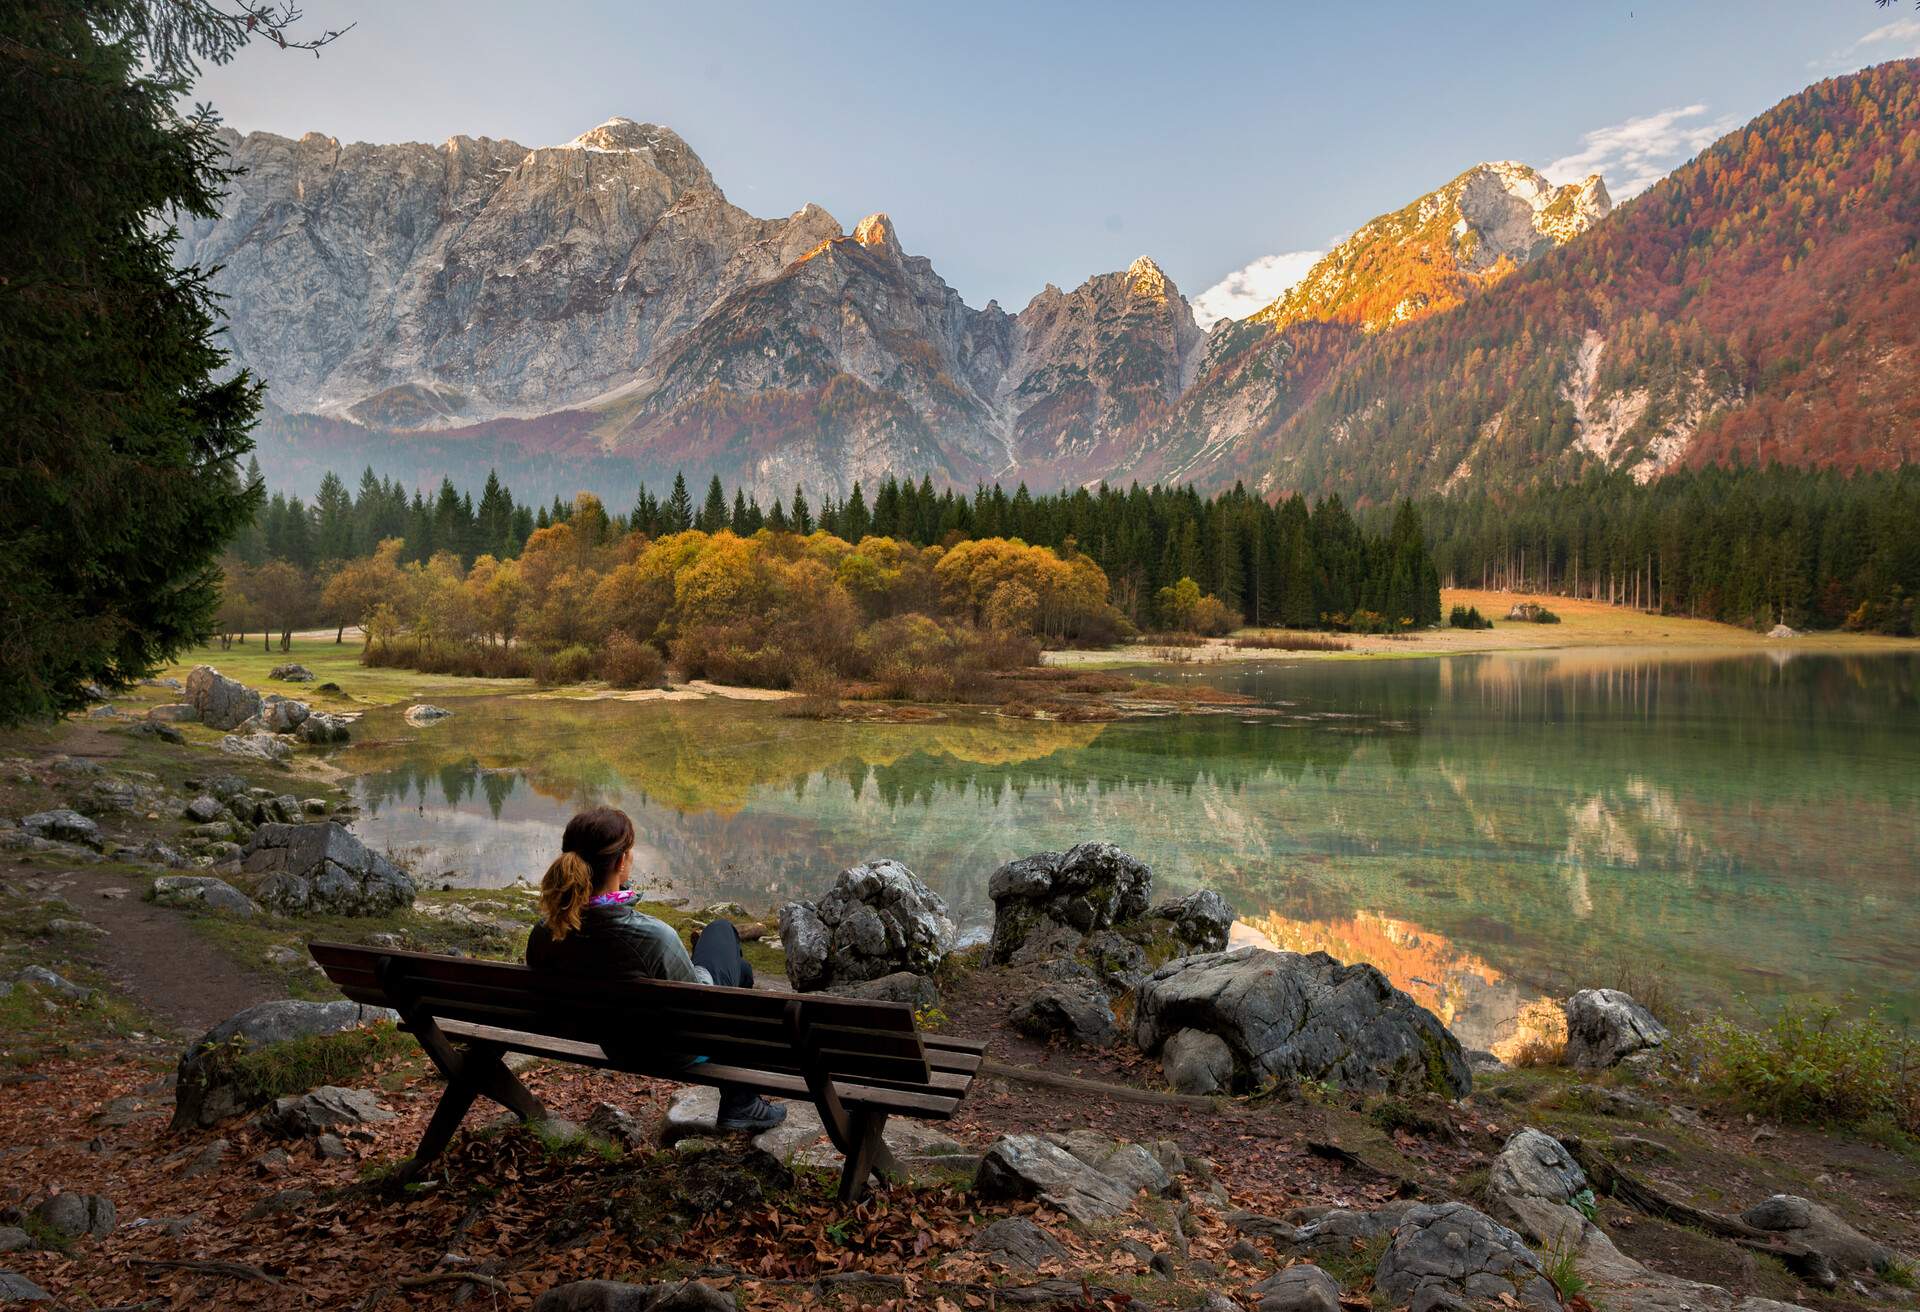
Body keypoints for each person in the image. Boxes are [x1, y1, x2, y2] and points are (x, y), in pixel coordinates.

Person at [524, 805, 786, 1133]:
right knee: (722, 935)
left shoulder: (546, 931)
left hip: (608, 1038)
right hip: (669, 1049)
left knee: (739, 968)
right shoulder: (650, 936)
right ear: (621, 862)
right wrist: (700, 967)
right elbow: (701, 1004)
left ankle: (742, 1100)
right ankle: (742, 1101)